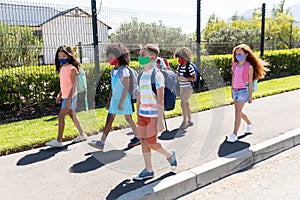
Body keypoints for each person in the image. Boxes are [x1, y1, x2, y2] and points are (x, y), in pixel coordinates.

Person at [133, 43, 177, 181]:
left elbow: (161, 100)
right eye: (140, 54)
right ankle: (148, 170)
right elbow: (139, 96)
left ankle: (169, 155)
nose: (139, 57)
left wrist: (159, 120)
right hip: (142, 114)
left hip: (153, 115)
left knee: (151, 142)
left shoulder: (157, 75)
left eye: (143, 55)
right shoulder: (141, 75)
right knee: (144, 141)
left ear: (152, 58)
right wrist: (137, 112)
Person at [88, 43, 140, 150]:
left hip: (124, 100)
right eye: (109, 57)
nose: (109, 59)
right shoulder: (113, 71)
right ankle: (101, 142)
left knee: (128, 118)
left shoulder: (124, 71)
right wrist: (109, 101)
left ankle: (138, 137)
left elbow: (126, 88)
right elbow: (113, 87)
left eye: (112, 57)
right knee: (109, 119)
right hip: (115, 100)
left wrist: (121, 102)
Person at [46, 45, 87, 147]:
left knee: (61, 116)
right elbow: (64, 84)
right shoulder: (62, 68)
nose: (61, 58)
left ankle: (59, 140)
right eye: (59, 56)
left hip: (71, 96)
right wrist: (60, 94)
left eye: (64, 56)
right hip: (65, 96)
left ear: (69, 56)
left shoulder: (72, 69)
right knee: (72, 115)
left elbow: (73, 86)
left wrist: (68, 99)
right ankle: (82, 134)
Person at [227, 44, 266, 143]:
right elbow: (233, 78)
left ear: (246, 54)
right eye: (236, 54)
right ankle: (249, 123)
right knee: (238, 111)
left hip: (244, 90)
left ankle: (234, 134)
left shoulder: (249, 67)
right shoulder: (235, 65)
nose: (237, 56)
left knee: (237, 112)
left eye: (240, 54)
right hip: (235, 90)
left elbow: (250, 81)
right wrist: (232, 90)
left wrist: (250, 96)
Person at [175, 47, 196, 129]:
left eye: (181, 58)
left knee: (183, 103)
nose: (179, 60)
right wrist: (177, 77)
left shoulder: (189, 67)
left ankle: (184, 121)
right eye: (178, 58)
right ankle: (190, 120)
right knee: (186, 104)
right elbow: (177, 75)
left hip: (188, 87)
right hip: (182, 87)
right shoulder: (179, 67)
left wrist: (185, 79)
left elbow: (193, 78)